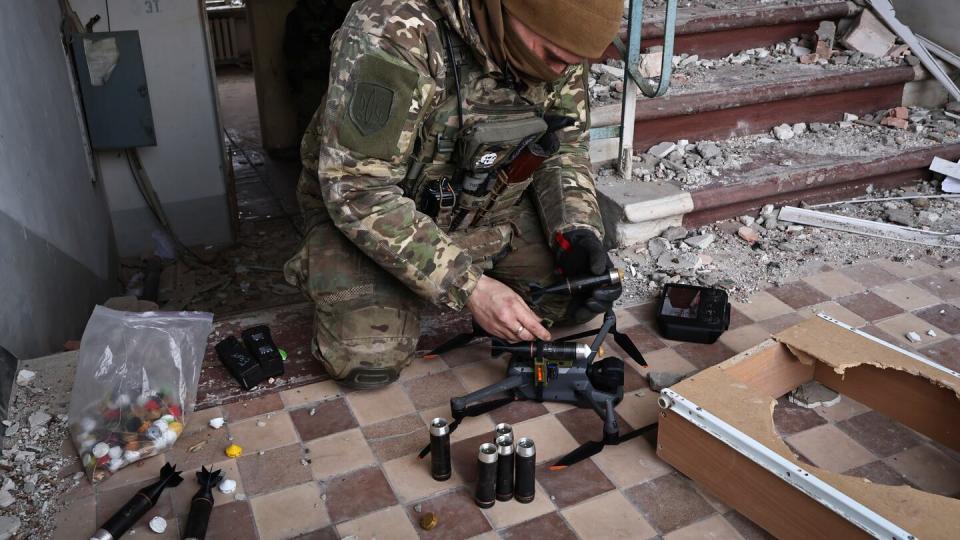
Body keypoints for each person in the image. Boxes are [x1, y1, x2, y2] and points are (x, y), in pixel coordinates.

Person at [284, 0, 625, 389]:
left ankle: (433, 277)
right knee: (368, 355)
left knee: (573, 301)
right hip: (379, 214)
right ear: (510, 14)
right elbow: (358, 190)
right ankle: (359, 273)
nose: (562, 72)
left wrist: (577, 232)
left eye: (574, 63)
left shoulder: (555, 47)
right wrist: (469, 286)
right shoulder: (395, 29)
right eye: (554, 57)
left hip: (489, 206)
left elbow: (563, 149)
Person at [283, 0, 355, 137]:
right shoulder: (296, 17)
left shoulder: (339, 15)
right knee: (308, 128)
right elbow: (291, 53)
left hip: (335, 80)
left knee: (336, 126)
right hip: (309, 82)